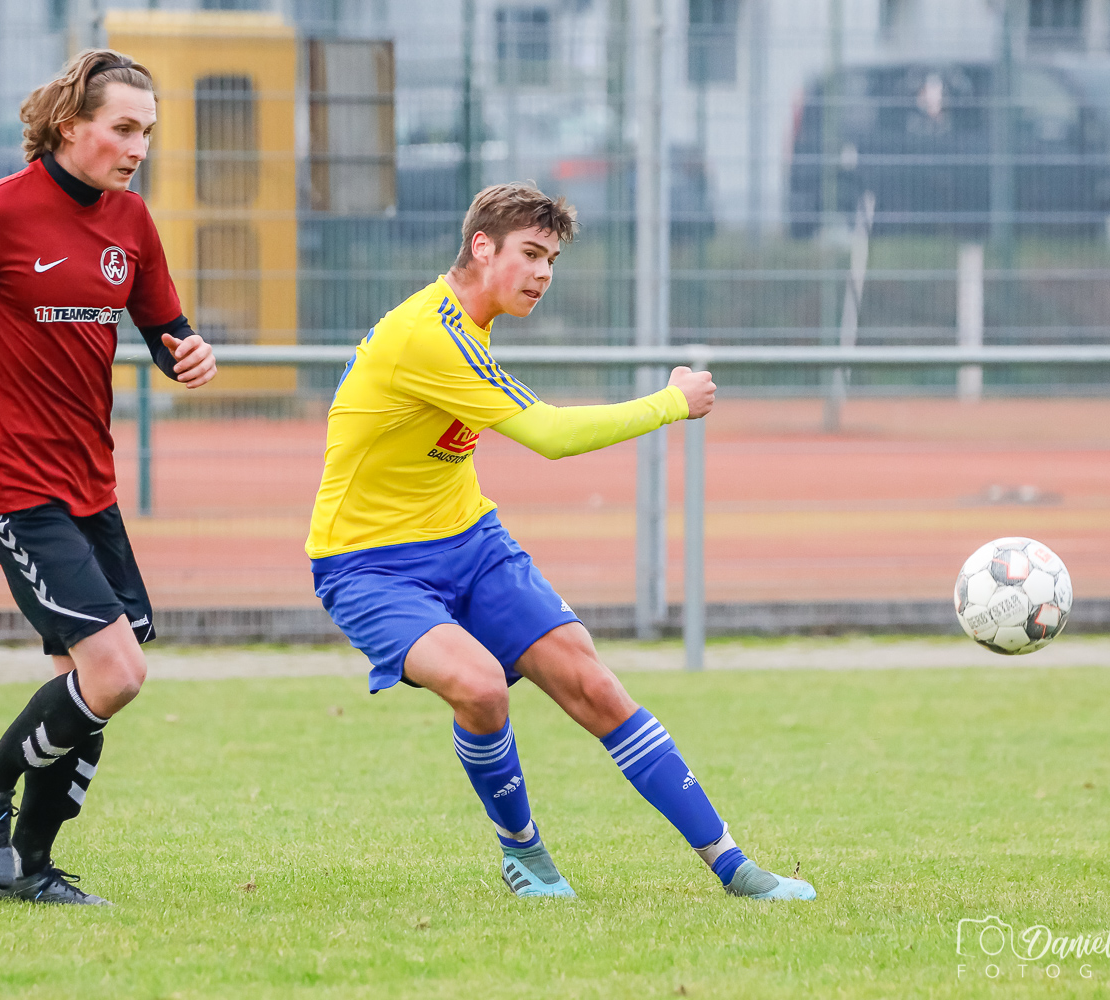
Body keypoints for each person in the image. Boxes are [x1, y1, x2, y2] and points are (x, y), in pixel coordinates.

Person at [307, 183, 815, 901]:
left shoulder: (469, 326)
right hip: (369, 565)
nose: (543, 273)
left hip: (470, 542)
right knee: (481, 687)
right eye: (530, 254)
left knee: (593, 685)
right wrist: (670, 404)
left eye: (551, 259)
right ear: (482, 247)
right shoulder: (429, 333)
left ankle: (735, 867)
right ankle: (525, 854)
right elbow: (549, 435)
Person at [0, 49, 218, 905]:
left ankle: (29, 868)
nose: (139, 148)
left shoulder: (131, 220)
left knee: (91, 680)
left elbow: (164, 331)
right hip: (15, 488)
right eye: (124, 129)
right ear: (69, 127)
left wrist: (187, 354)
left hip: (91, 487)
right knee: (116, 673)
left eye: (148, 132)